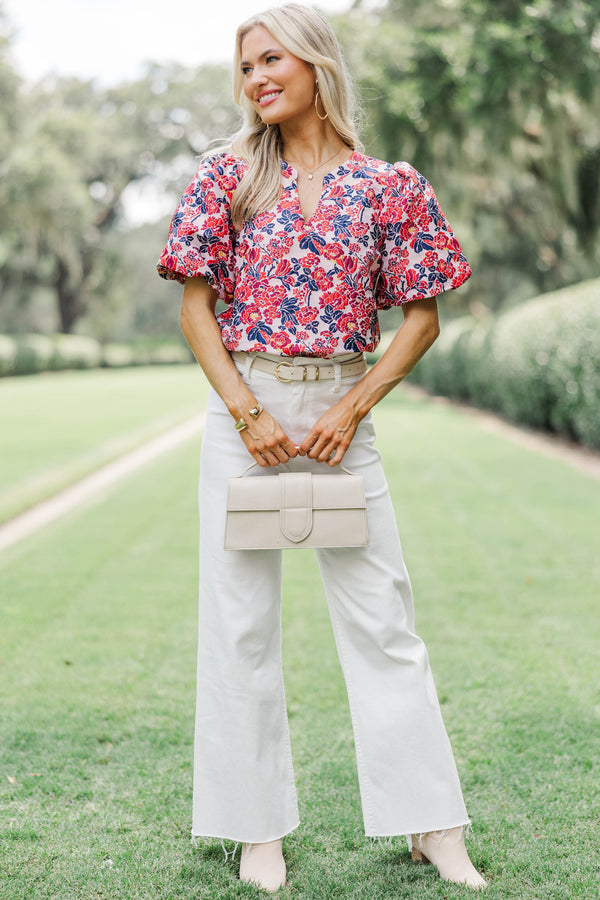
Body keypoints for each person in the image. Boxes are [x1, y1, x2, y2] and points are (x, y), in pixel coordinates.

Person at [157, 2, 487, 892]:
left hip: (346, 414)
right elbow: (195, 308)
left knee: (385, 624)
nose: (257, 78)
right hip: (246, 416)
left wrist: (354, 405)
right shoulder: (224, 177)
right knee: (240, 628)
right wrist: (247, 415)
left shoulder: (390, 184)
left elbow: (423, 319)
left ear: (316, 64)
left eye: (272, 60)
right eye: (246, 67)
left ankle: (431, 826)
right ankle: (254, 832)